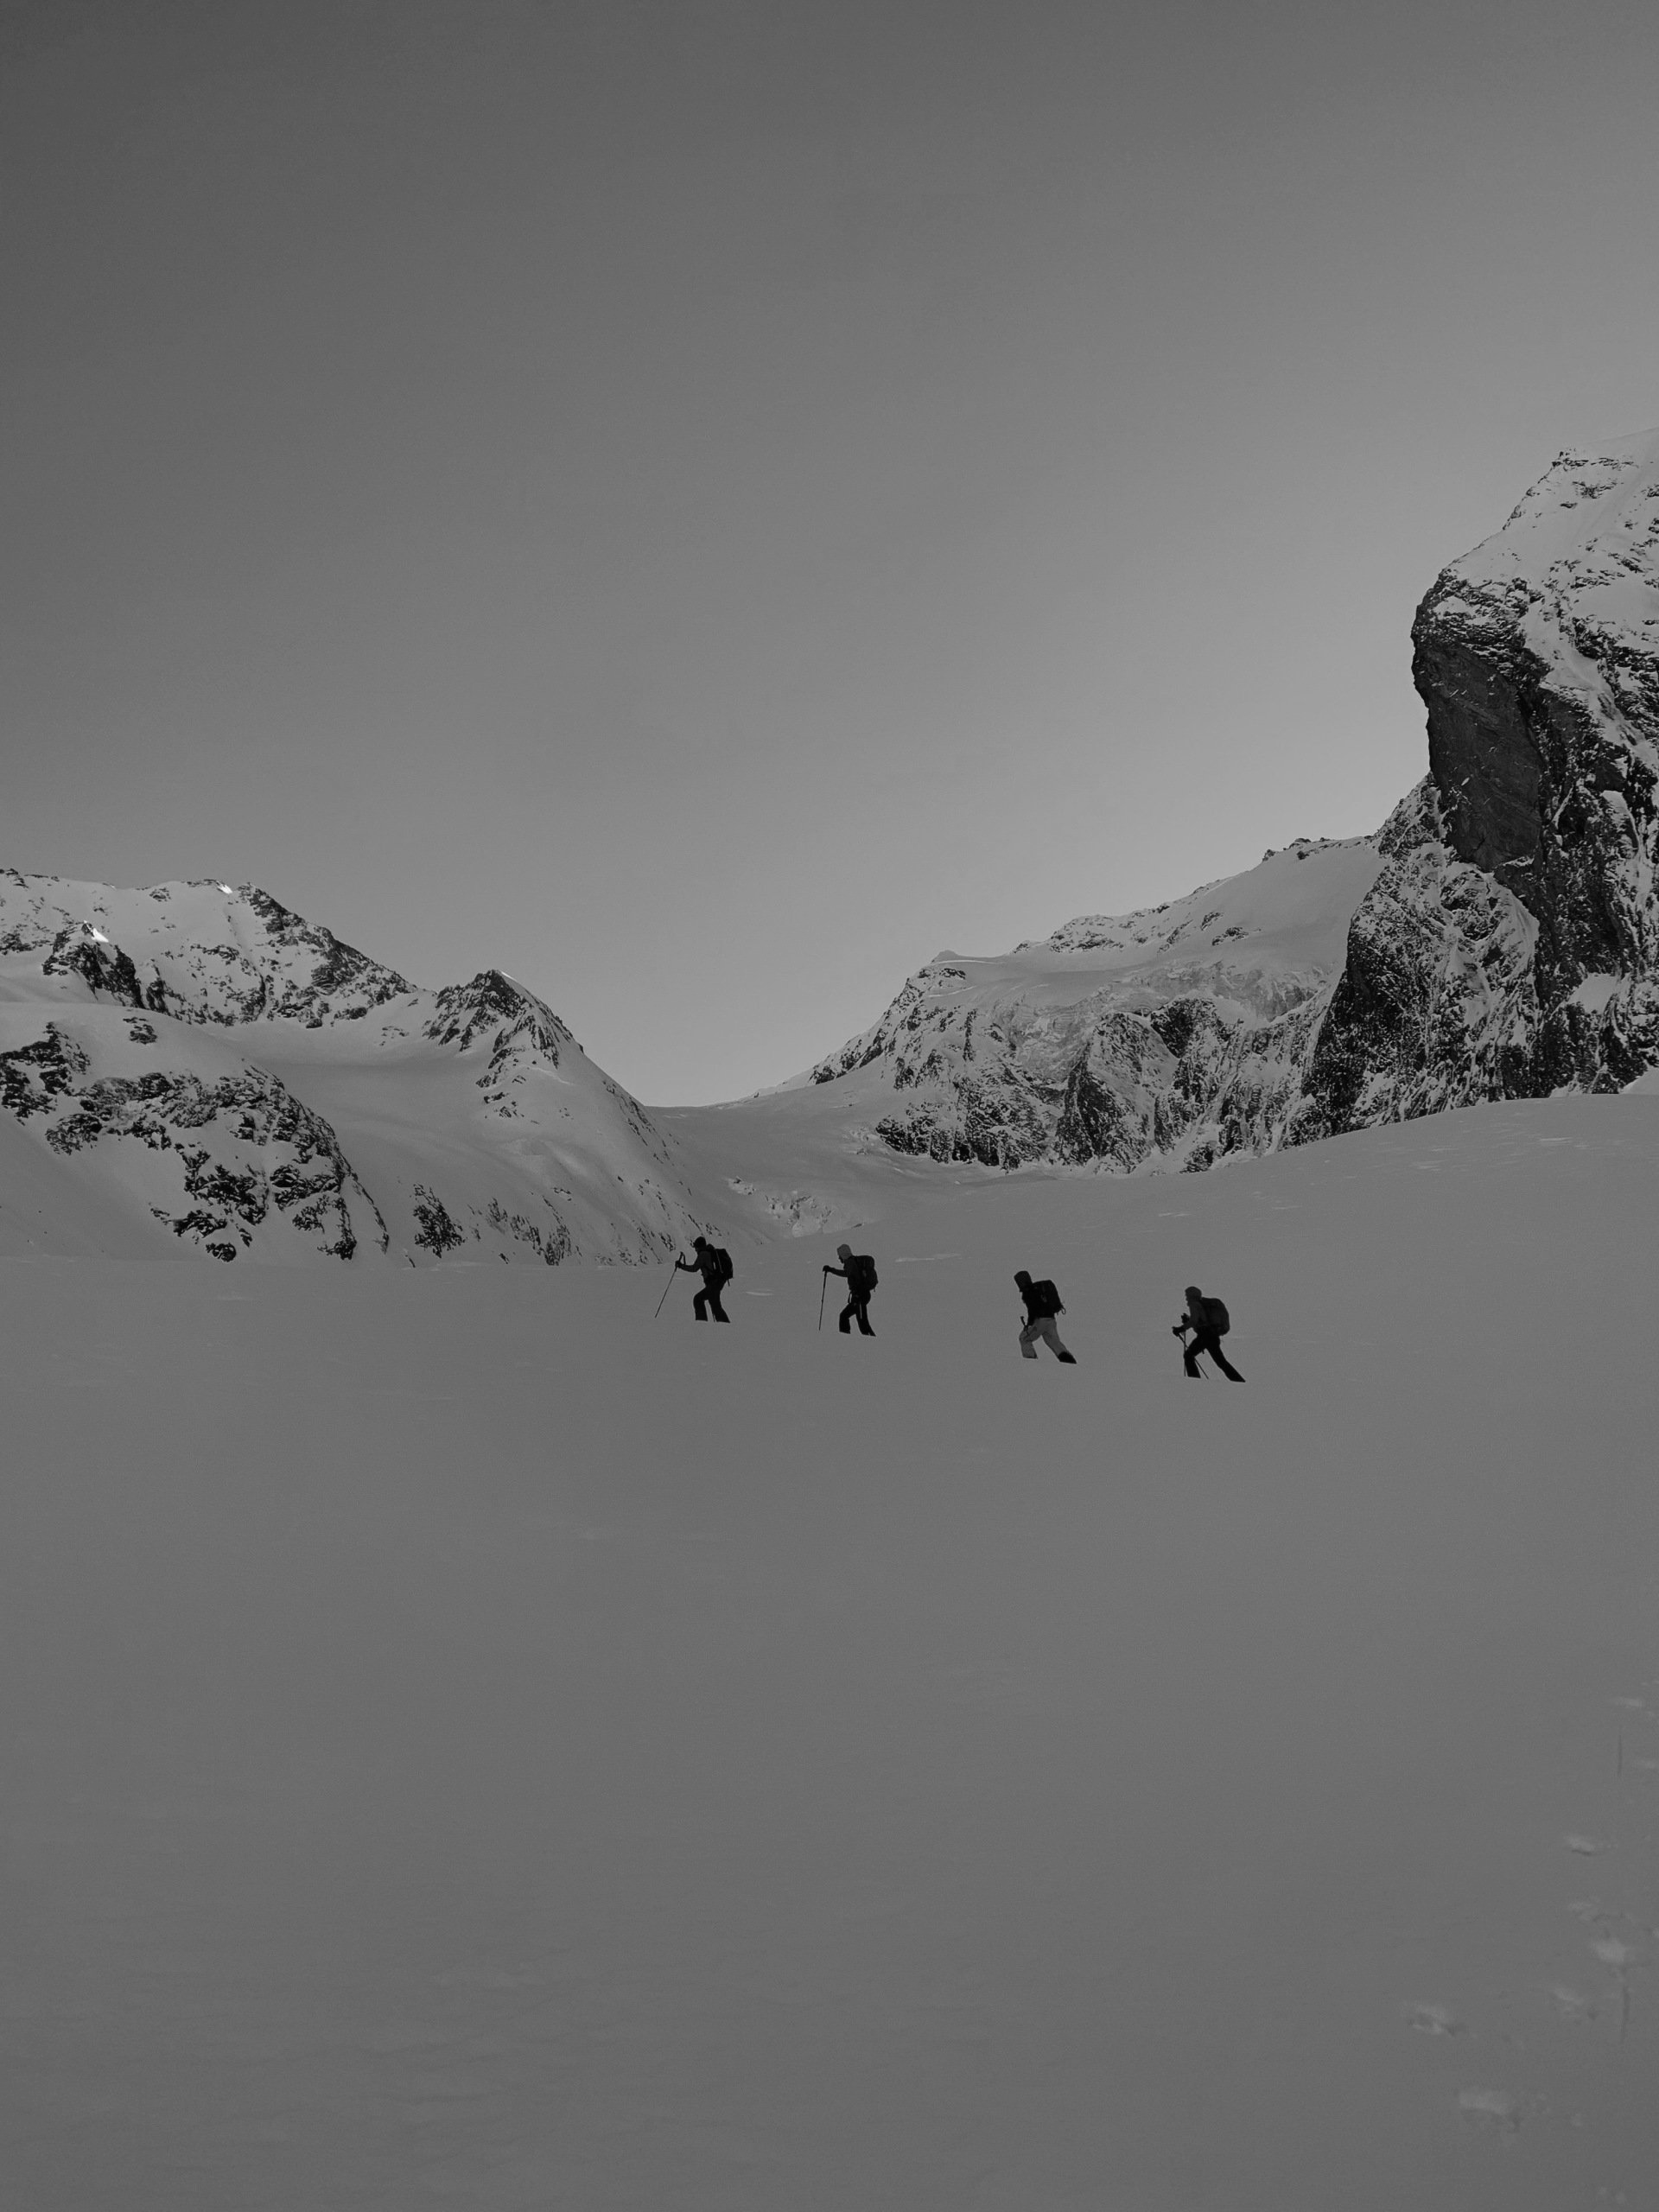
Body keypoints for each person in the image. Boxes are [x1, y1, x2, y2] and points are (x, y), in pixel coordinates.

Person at [1173, 1284, 1243, 1380]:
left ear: (1191, 1295)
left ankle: (1195, 1380)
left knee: (1188, 1355)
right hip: (1212, 1336)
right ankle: (1239, 1381)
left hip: (1204, 1337)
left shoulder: (1194, 1304)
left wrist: (1180, 1329)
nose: (1186, 1297)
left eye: (1187, 1295)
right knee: (1221, 1362)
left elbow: (1194, 1321)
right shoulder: (1201, 1304)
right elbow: (1201, 1321)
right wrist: (1188, 1321)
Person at [1014, 1269, 1076, 1363]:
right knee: (1054, 1342)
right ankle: (1068, 1361)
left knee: (1024, 1338)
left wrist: (1029, 1325)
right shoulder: (1038, 1290)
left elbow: (1032, 1310)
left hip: (1040, 1321)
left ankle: (1030, 1361)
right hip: (1051, 1320)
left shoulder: (1028, 1292)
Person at [823, 1243, 877, 1335]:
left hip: (860, 1296)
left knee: (861, 1323)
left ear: (843, 1254)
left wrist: (831, 1270)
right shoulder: (854, 1261)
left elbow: (846, 1273)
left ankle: (848, 1339)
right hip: (861, 1295)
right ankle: (847, 1338)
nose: (839, 1258)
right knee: (851, 1318)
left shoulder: (850, 1262)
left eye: (839, 1256)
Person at [675, 1236, 732, 1322]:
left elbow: (694, 1268)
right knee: (715, 1306)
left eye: (696, 1247)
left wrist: (681, 1266)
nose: (695, 1250)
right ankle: (724, 1326)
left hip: (713, 1284)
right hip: (717, 1282)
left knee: (698, 1299)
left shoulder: (703, 1254)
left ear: (699, 1247)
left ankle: (702, 1323)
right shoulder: (709, 1252)